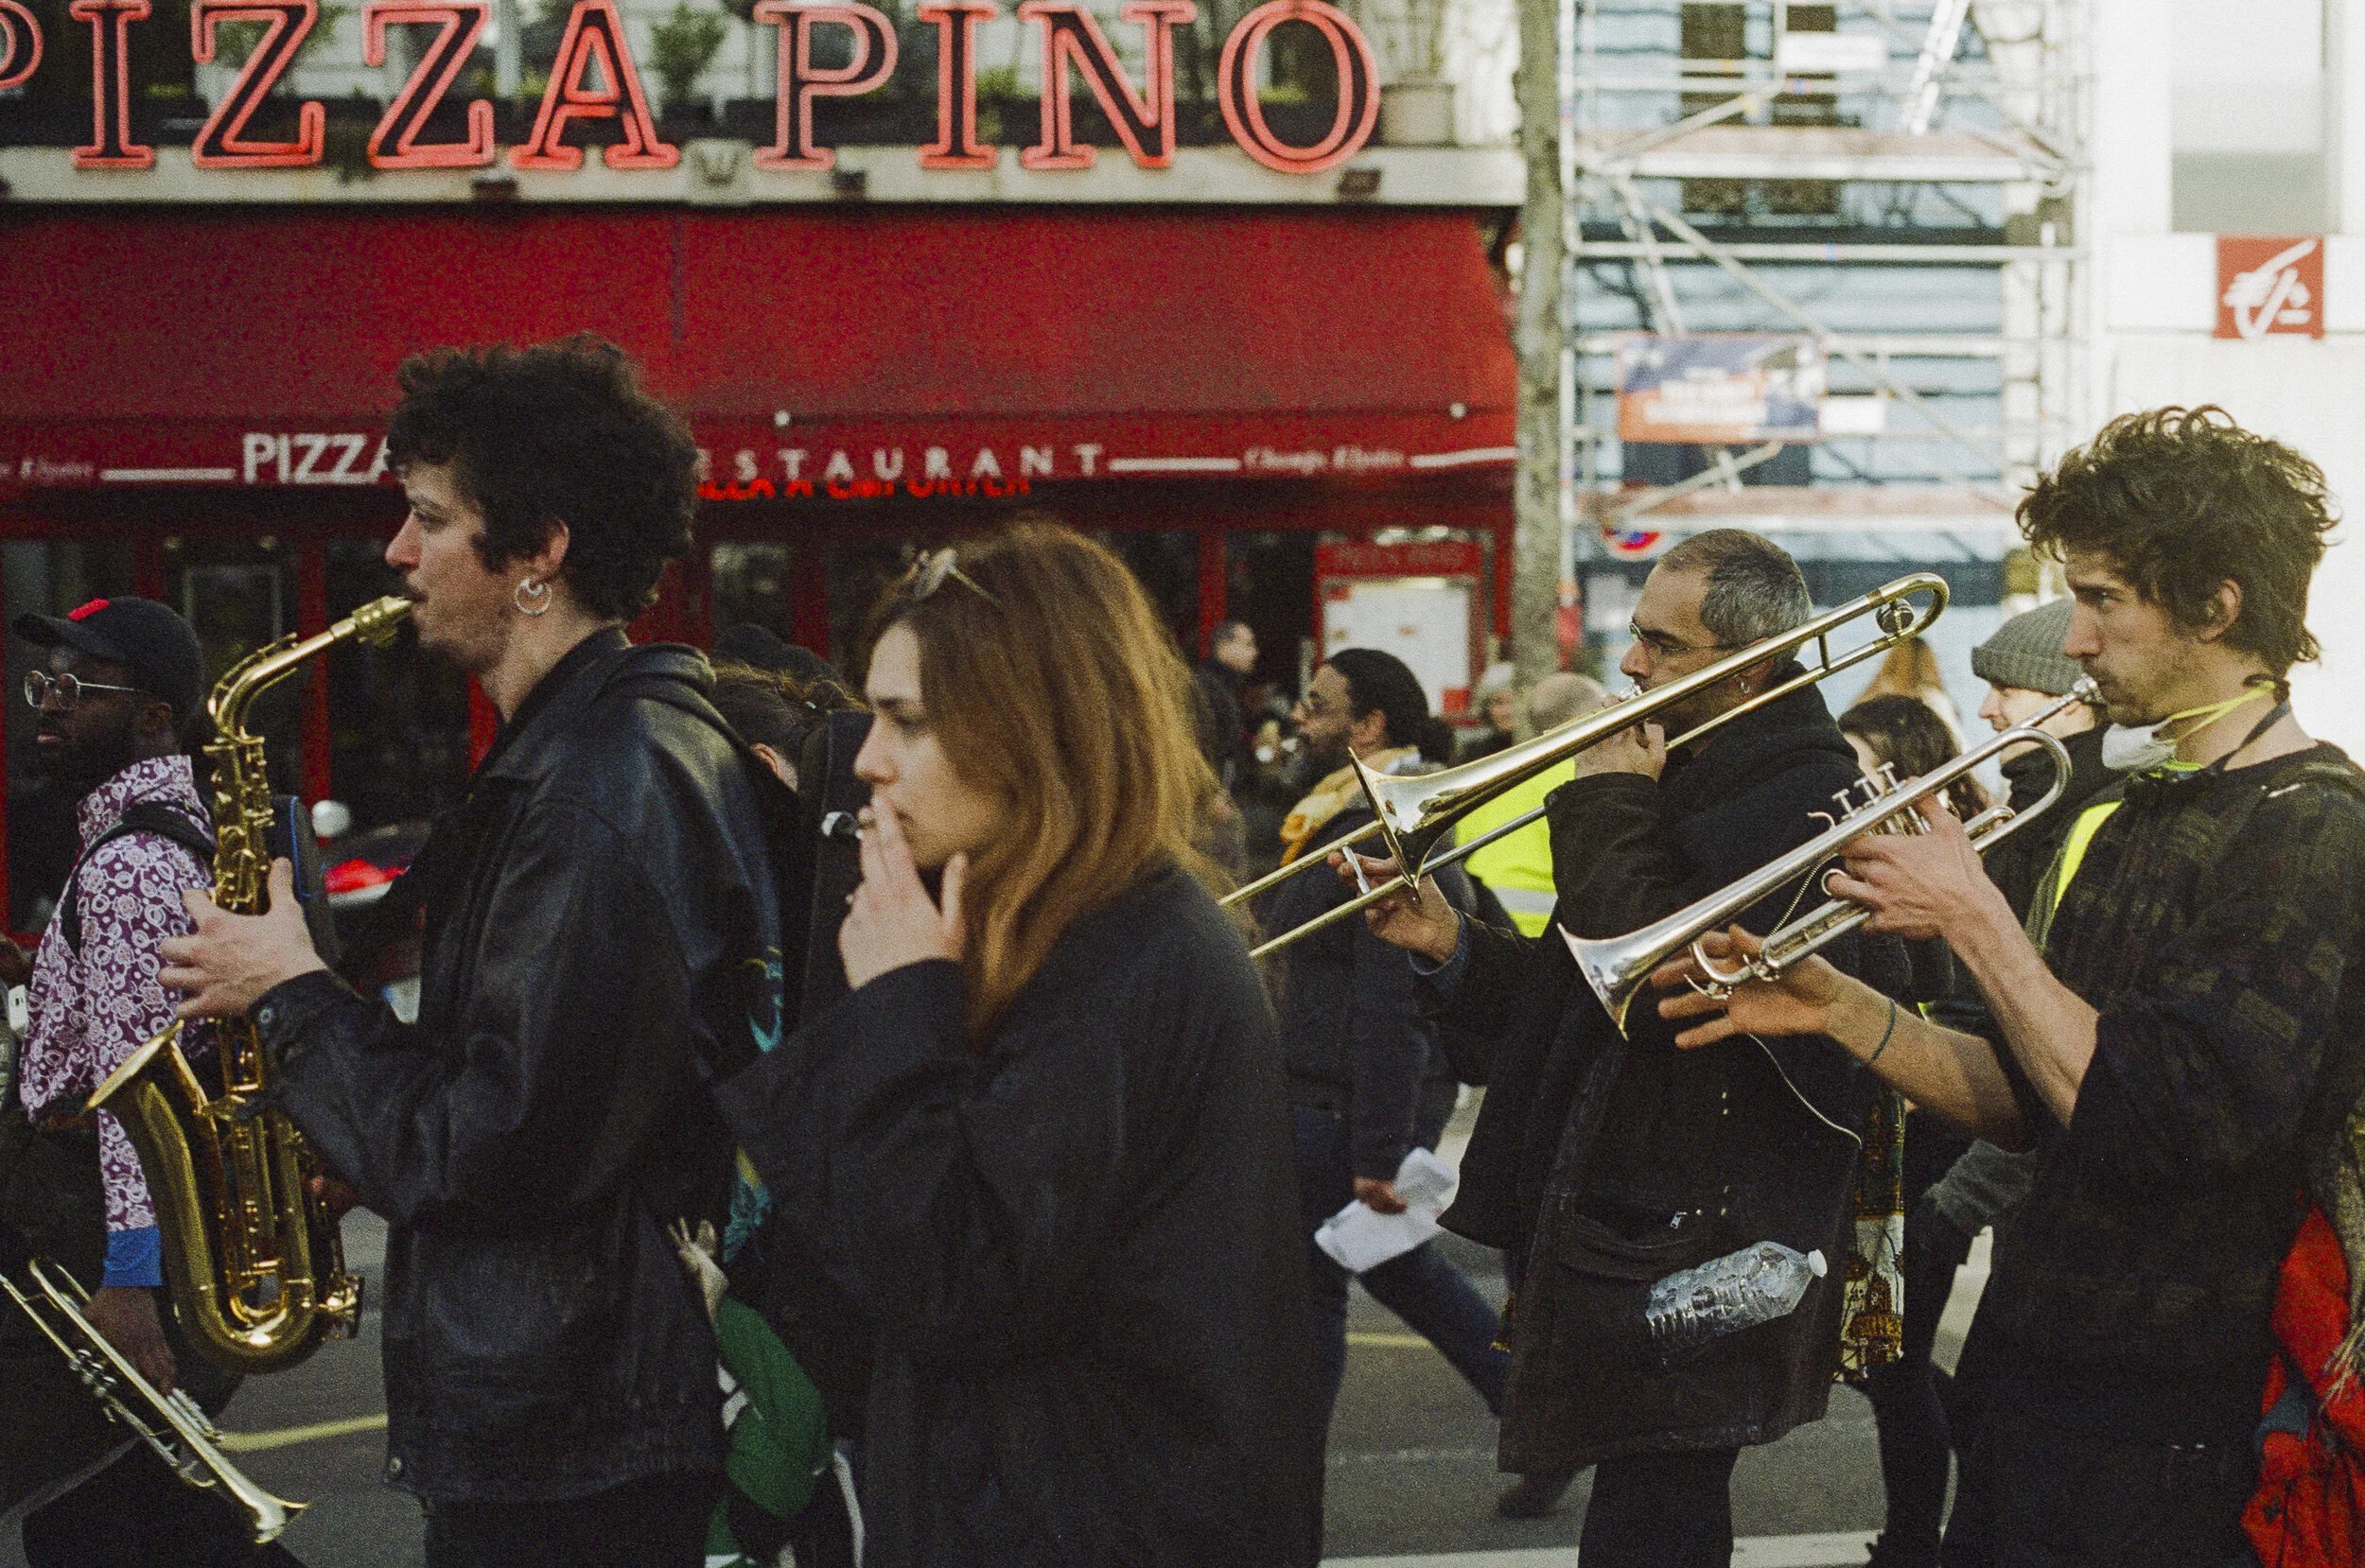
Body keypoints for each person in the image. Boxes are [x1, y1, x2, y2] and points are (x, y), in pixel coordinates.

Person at [1656, 407, 2365, 1566]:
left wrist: (1975, 917)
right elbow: (2031, 1098)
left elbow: (2164, 1119)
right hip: (2041, 1382)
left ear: (2216, 605)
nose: (2074, 639)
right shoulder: (2133, 804)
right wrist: (1841, 1006)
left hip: (2185, 1424)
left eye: (2102, 600)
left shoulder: (2310, 826)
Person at [157, 337, 786, 1568]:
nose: (396, 551)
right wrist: (357, 1123)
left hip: (575, 1443)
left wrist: (287, 992)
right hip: (576, 1418)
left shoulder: (599, 784)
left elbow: (500, 1142)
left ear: (540, 550)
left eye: (430, 518)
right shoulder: (590, 754)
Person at [709, 525, 1323, 1567]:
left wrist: (901, 1004)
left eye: (905, 719)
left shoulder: (1124, 955)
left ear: (1028, 727)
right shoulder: (1059, 927)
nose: (865, 756)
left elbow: (953, 1278)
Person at [1356, 529, 1906, 1554]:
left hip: (1708, 1222)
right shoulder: (1696, 764)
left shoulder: (1793, 793)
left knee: (1656, 1514)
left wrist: (1608, 799)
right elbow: (1583, 987)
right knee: (1647, 1506)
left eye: (1662, 644)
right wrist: (1452, 944)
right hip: (1643, 1206)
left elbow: (1658, 988)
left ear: (1749, 662)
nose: (1631, 664)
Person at [0, 596, 307, 1567]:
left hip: (95, 1222)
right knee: (134, 1513)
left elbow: (144, 1078)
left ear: (151, 715)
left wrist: (127, 1278)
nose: (47, 706)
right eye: (43, 683)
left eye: (77, 689)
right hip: (109, 1213)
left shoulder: (130, 858)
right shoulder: (157, 829)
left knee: (94, 1514)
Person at [1259, 648, 1505, 1451]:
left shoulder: (1387, 823)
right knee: (1396, 1274)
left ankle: (1287, 1478)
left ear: (1369, 725)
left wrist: (1379, 1148)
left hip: (1345, 1106)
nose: (1302, 716)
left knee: (1314, 1292)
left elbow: (1394, 1000)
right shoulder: (1338, 811)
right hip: (1334, 1100)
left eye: (1320, 704)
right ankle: (1544, 1423)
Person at [1453, 671, 1613, 937]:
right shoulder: (1588, 780)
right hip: (1552, 935)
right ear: (1593, 715)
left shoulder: (1496, 776)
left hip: (1482, 924)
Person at [1855, 636, 1963, 743]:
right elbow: (1957, 741)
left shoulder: (1873, 695)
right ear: (1930, 662)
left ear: (1892, 660)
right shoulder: (1936, 697)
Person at [1460, 662, 1518, 760]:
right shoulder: (1475, 754)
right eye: (1499, 703)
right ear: (1486, 708)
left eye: (1514, 702)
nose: (1507, 711)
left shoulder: (1540, 748)